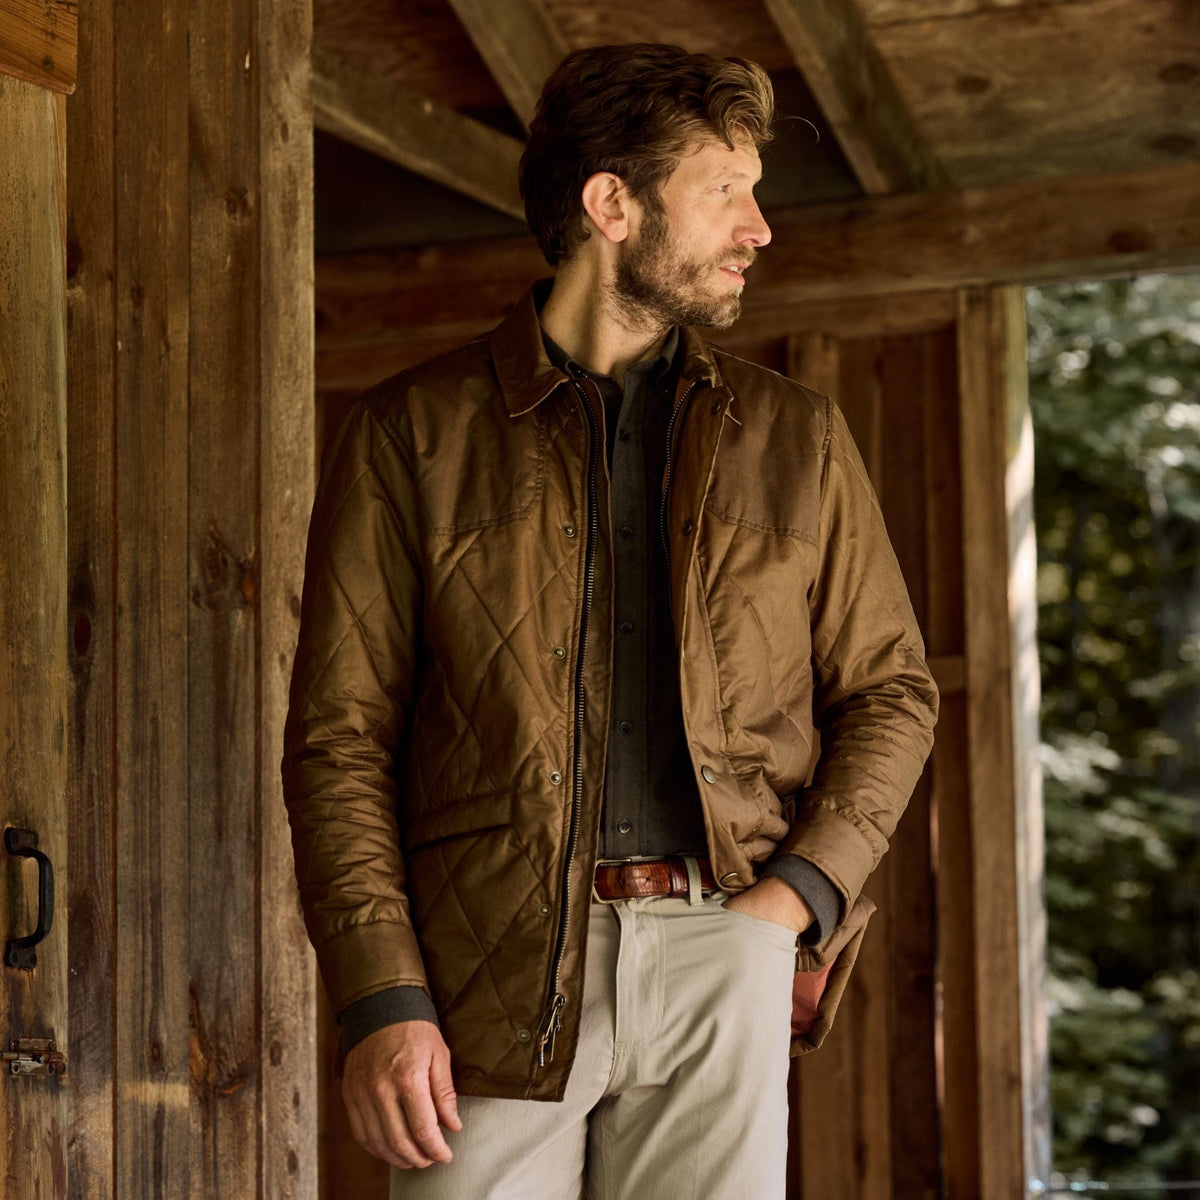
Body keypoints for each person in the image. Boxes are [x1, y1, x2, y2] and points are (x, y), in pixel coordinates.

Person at [282, 42, 938, 1200]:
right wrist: (383, 996)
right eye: (726, 189)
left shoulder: (799, 438)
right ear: (613, 205)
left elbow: (892, 691)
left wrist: (791, 904)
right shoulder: (412, 435)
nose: (759, 227)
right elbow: (339, 739)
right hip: (488, 965)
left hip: (725, 939)